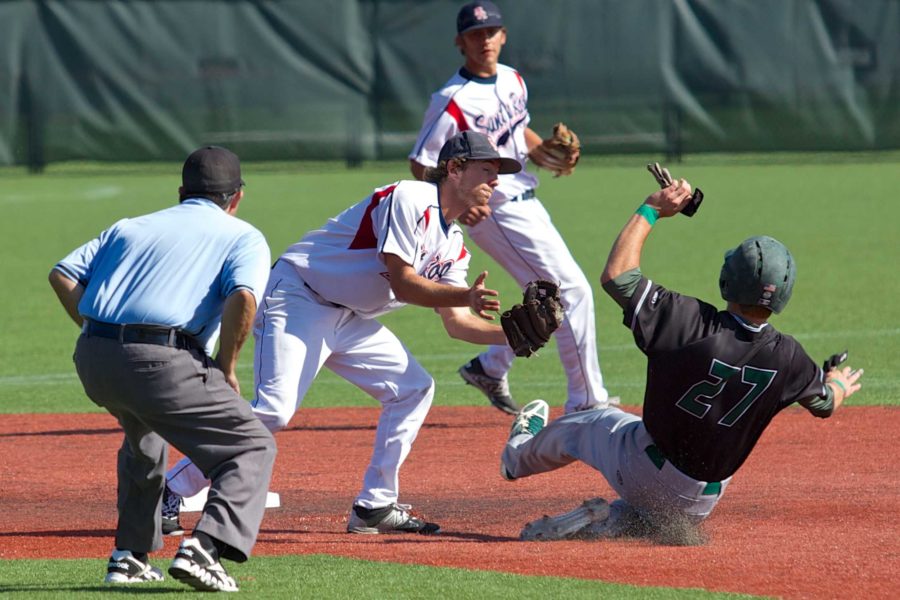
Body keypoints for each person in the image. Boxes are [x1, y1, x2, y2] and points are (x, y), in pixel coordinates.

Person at [163, 131, 522, 536]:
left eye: (497, 173)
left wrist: (509, 335)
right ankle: (169, 488)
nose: (495, 181)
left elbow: (457, 323)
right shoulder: (410, 198)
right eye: (487, 170)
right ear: (455, 169)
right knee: (275, 409)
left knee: (413, 388)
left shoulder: (454, 244)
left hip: (348, 316)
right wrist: (465, 294)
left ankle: (375, 505)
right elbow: (404, 283)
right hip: (299, 296)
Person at [498, 175, 864, 541]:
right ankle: (605, 522)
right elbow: (825, 403)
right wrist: (837, 382)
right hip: (700, 503)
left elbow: (617, 276)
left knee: (588, 422)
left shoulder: (690, 322)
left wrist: (652, 209)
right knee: (649, 501)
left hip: (644, 470)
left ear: (727, 280)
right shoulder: (791, 358)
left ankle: (515, 458)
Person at [49, 146, 277, 591]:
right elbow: (244, 299)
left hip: (94, 359)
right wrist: (227, 366)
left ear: (181, 192)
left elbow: (62, 273)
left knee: (144, 439)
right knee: (251, 447)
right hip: (161, 360)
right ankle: (206, 549)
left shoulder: (129, 226)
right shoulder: (242, 235)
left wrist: (106, 333)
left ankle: (129, 555)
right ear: (237, 197)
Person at [409, 1, 616, 416]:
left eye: (491, 32)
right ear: (460, 42)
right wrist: (457, 201)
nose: (484, 40)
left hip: (529, 201)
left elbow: (518, 134)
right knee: (571, 291)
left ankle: (490, 365)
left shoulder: (513, 80)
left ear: (503, 36)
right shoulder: (452, 100)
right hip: (497, 210)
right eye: (475, 34)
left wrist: (545, 154)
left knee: (547, 298)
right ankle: (587, 400)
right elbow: (421, 162)